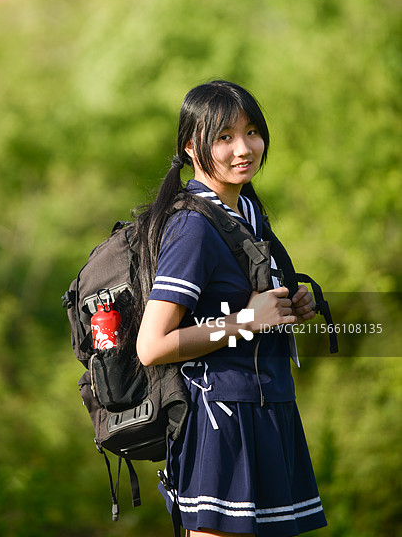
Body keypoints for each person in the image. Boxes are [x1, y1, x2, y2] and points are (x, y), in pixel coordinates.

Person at [135, 80, 327, 537]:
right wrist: (247, 321)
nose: (243, 148)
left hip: (271, 406)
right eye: (223, 137)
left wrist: (289, 307)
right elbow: (152, 345)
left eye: (251, 132)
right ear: (191, 148)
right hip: (221, 418)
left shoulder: (248, 213)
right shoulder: (193, 226)